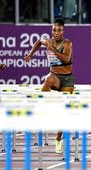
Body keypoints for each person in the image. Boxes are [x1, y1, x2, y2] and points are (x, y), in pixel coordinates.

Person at [24, 18, 73, 154]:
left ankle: (58, 139)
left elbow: (66, 59)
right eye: (54, 30)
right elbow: (39, 41)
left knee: (65, 111)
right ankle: (41, 109)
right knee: (49, 79)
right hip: (55, 76)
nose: (56, 32)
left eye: (59, 30)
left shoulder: (67, 43)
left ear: (63, 31)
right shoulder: (48, 40)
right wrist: (30, 54)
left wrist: (52, 49)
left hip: (67, 79)